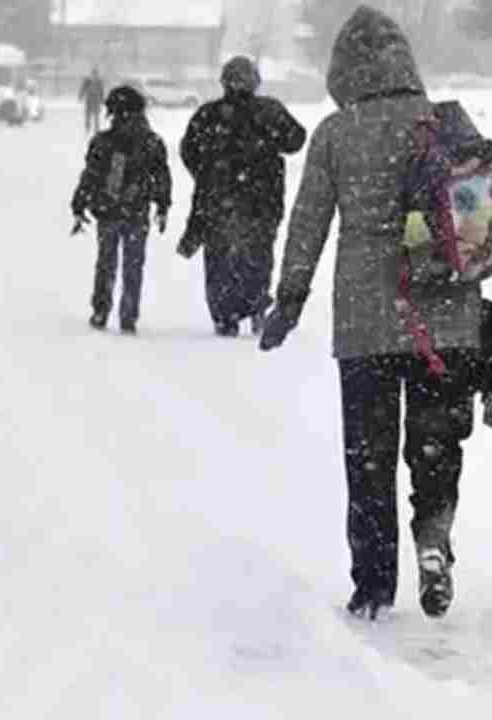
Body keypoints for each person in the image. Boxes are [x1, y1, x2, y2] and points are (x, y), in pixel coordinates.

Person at [260, 6, 479, 620]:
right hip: (449, 320)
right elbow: (477, 225)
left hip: (368, 323)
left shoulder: (337, 132)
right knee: (436, 447)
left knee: (370, 459)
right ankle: (433, 537)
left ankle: (374, 585)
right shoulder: (444, 126)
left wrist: (290, 298)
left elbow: (307, 224)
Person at [179, 56, 307, 337]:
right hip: (262, 202)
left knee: (219, 260)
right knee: (258, 256)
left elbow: (188, 151)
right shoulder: (269, 110)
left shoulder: (208, 115)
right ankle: (256, 303)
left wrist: (208, 174)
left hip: (217, 203)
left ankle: (225, 315)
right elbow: (296, 140)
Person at [70, 86, 172, 335]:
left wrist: (79, 203)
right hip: (137, 212)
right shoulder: (151, 142)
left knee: (106, 262)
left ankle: (101, 310)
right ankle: (128, 315)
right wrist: (162, 204)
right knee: (133, 265)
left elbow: (90, 176)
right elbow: (162, 176)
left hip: (108, 211)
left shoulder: (103, 142)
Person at [78, 67, 105, 136]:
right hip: (89, 99)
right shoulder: (87, 80)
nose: (94, 75)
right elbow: (83, 88)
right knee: (88, 114)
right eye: (93, 74)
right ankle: (87, 127)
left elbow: (101, 91)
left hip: (96, 100)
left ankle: (96, 129)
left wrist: (102, 100)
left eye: (96, 74)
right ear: (91, 74)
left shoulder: (99, 81)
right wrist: (81, 95)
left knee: (96, 115)